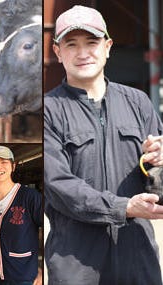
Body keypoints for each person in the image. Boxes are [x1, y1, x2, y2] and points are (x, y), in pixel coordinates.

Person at [44, 5, 163, 285]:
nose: (83, 53)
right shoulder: (49, 110)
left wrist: (161, 162)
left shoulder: (138, 103)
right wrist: (123, 207)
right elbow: (58, 185)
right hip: (76, 263)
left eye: (92, 42)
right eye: (72, 44)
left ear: (108, 47)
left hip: (138, 257)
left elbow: (157, 184)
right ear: (58, 52)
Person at [0, 145, 42, 285]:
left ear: (13, 166)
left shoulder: (30, 197)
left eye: (4, 162)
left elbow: (50, 229)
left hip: (23, 275)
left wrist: (44, 267)